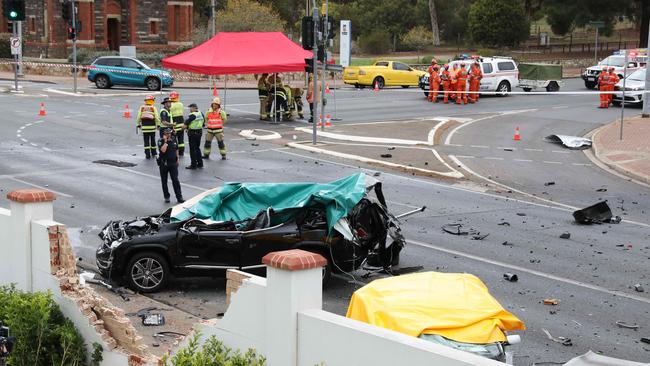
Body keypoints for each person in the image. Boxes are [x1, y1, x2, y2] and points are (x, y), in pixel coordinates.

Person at [157, 128, 184, 204]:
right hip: (164, 163)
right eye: (167, 134)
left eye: (169, 133)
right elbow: (163, 150)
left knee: (175, 180)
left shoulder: (174, 140)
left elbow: (176, 149)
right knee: (164, 181)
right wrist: (165, 142)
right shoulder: (160, 141)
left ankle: (179, 197)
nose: (168, 135)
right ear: (164, 134)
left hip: (173, 163)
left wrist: (177, 158)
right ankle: (167, 197)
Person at [183, 103, 205, 169]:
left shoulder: (192, 115)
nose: (190, 109)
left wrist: (181, 128)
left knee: (192, 149)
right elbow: (203, 123)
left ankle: (193, 164)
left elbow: (185, 125)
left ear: (194, 108)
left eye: (191, 108)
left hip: (193, 133)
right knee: (197, 148)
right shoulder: (201, 113)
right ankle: (200, 163)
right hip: (199, 132)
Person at [169, 91, 185, 155]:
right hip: (181, 123)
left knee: (174, 139)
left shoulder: (171, 105)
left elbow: (170, 115)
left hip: (174, 124)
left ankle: (175, 152)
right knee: (181, 140)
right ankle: (181, 152)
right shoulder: (181, 104)